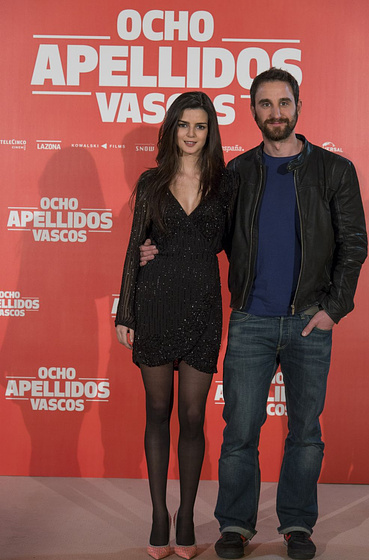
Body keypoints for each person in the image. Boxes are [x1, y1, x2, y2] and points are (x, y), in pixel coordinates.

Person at [139, 69, 367, 560]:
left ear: (298, 105)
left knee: (305, 432)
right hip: (250, 320)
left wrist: (334, 309)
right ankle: (235, 525)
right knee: (240, 431)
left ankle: (297, 525)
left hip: (310, 320)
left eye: (283, 103)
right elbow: (208, 235)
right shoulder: (237, 174)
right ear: (253, 112)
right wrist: (156, 249)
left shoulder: (335, 171)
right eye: (265, 105)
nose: (276, 112)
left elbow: (355, 245)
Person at [115, 91, 236, 560]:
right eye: (184, 124)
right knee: (158, 411)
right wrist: (126, 311)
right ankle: (159, 516)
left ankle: (186, 517)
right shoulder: (151, 181)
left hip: (205, 307)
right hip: (156, 305)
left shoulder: (225, 184)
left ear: (210, 132)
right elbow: (134, 248)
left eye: (200, 126)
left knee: (192, 416)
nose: (191, 133)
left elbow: (234, 244)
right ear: (172, 129)